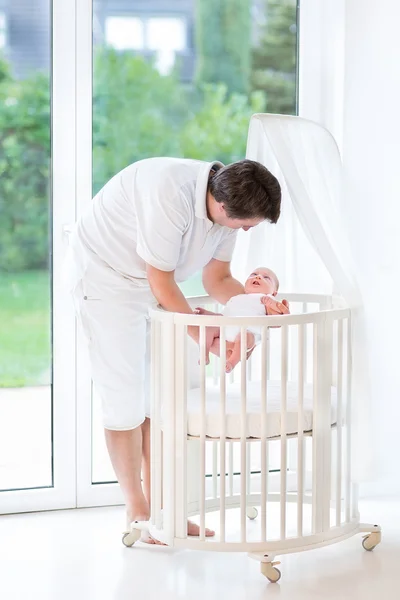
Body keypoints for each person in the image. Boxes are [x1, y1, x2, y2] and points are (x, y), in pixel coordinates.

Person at [65, 157, 282, 543]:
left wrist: (253, 317)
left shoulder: (226, 204)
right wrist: (206, 335)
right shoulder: (168, 192)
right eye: (246, 223)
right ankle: (138, 511)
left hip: (155, 284)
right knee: (125, 398)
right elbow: (161, 280)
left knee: (161, 401)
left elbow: (218, 279)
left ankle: (167, 512)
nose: (248, 229)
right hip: (107, 280)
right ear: (221, 206)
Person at [223, 267, 289, 372]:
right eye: (253, 274)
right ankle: (205, 353)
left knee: (243, 337)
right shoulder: (236, 298)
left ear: (274, 292)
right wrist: (208, 314)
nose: (258, 277)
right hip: (228, 333)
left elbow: (279, 313)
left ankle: (231, 362)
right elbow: (224, 315)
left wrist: (271, 304)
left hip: (251, 333)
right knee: (210, 333)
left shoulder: (267, 298)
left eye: (266, 278)